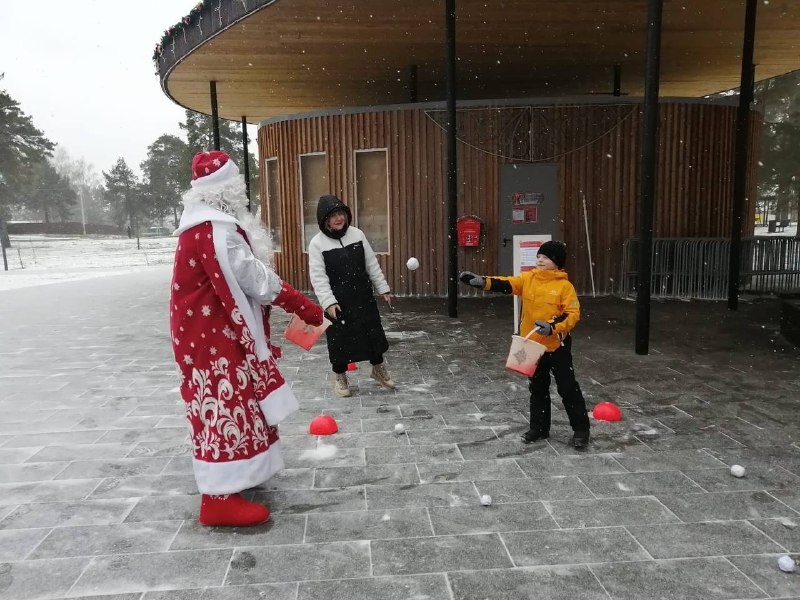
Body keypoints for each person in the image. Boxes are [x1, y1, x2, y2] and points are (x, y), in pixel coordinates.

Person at [170, 151, 324, 526]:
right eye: (236, 184)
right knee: (225, 407)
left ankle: (242, 474)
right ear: (224, 189)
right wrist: (300, 303)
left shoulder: (202, 226)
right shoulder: (214, 229)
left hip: (207, 337)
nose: (241, 191)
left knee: (236, 402)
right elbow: (253, 278)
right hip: (214, 341)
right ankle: (218, 499)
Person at [459, 240, 591, 449]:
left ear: (557, 262)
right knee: (537, 388)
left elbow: (572, 314)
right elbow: (507, 283)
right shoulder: (529, 279)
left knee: (567, 388)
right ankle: (539, 428)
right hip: (531, 344)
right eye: (539, 256)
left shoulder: (565, 287)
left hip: (557, 346)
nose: (540, 259)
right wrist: (483, 282)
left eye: (545, 257)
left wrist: (552, 326)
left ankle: (581, 430)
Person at [308, 194, 395, 397]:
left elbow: (371, 264)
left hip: (363, 297)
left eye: (341, 214)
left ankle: (378, 369)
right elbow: (318, 278)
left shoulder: (357, 234)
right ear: (325, 220)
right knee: (339, 342)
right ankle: (340, 377)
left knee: (373, 335)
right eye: (333, 215)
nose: (339, 218)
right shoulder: (317, 244)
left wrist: (383, 288)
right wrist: (329, 302)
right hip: (338, 303)